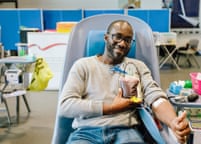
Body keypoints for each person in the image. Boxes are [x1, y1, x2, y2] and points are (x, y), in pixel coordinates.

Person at [59, 19, 190, 144]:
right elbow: (66, 106)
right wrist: (111, 108)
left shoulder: (138, 67)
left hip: (126, 131)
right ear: (106, 38)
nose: (122, 43)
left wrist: (173, 122)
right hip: (87, 132)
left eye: (128, 40)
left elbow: (155, 98)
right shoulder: (83, 66)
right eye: (117, 37)